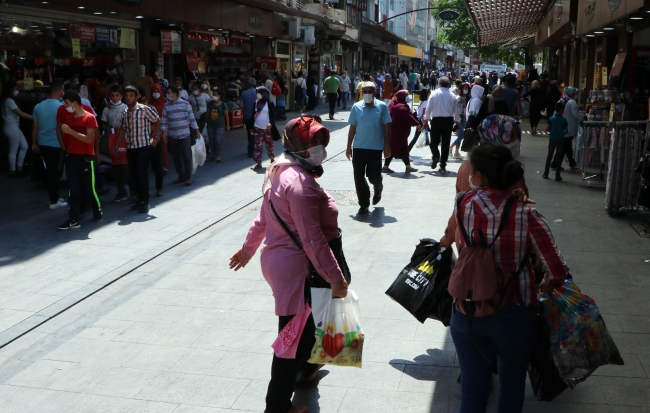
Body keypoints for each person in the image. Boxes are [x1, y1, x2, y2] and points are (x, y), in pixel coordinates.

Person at [229, 118, 347, 413]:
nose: (320, 149)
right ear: (299, 145)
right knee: (290, 338)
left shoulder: (283, 170)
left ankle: (305, 371)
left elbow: (262, 219)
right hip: (296, 270)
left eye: (322, 143)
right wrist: (336, 278)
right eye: (314, 143)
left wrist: (247, 250)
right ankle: (277, 406)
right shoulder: (299, 183)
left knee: (306, 328)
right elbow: (312, 239)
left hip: (286, 264)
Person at [449, 141, 568, 413]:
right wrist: (544, 286)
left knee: (472, 388)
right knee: (512, 383)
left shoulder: (462, 203)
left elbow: (461, 243)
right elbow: (558, 271)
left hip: (468, 307)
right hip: (515, 311)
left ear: (478, 176)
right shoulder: (528, 214)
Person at [57, 91, 101, 230]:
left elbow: (89, 139)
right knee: (73, 189)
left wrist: (72, 132)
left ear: (74, 103)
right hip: (72, 157)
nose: (65, 106)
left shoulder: (89, 118)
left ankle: (97, 211)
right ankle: (73, 218)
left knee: (89, 188)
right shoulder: (69, 119)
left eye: (67, 103)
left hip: (86, 157)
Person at [346, 81, 391, 214]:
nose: (367, 94)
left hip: (376, 148)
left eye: (369, 91)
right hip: (359, 147)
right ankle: (364, 203)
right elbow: (352, 127)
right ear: (361, 93)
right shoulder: (356, 107)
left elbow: (387, 127)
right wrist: (348, 146)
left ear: (374, 92)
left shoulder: (382, 106)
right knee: (358, 176)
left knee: (373, 177)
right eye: (364, 92)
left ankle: (378, 188)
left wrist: (387, 146)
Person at [115, 86, 160, 214]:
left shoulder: (144, 109)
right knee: (133, 175)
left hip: (144, 147)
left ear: (136, 97)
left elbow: (157, 120)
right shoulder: (125, 112)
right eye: (126, 95)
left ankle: (145, 202)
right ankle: (139, 199)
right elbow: (123, 128)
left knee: (142, 174)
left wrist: (155, 137)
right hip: (131, 148)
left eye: (131, 95)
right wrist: (118, 144)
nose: (128, 98)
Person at [32, 82, 66, 209]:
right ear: (59, 91)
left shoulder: (38, 107)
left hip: (42, 142)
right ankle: (54, 200)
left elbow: (35, 127)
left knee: (50, 171)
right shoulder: (61, 107)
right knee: (55, 172)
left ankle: (55, 197)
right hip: (56, 143)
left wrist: (34, 143)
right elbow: (63, 127)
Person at [160, 85, 199, 186]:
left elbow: (191, 117)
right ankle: (181, 175)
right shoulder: (166, 106)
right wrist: (163, 132)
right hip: (172, 135)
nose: (168, 95)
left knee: (186, 156)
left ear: (176, 93)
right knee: (176, 157)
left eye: (170, 92)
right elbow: (164, 120)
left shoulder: (185, 104)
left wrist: (197, 130)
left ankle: (188, 176)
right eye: (167, 93)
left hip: (184, 134)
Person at [422, 77, 460, 173]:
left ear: (439, 84)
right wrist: (457, 123)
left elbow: (428, 108)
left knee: (433, 142)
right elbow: (457, 111)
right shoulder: (452, 95)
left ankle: (436, 156)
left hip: (436, 120)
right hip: (448, 121)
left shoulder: (434, 94)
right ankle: (443, 164)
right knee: (446, 143)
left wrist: (425, 121)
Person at [1, 81, 33, 178]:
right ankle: (13, 171)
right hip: (11, 126)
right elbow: (20, 113)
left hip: (12, 126)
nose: (17, 91)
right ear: (11, 90)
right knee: (14, 150)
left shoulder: (6, 100)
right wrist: (34, 117)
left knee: (24, 146)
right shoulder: (9, 100)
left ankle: (18, 169)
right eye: (16, 89)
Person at [382, 90, 419, 174]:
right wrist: (417, 124)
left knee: (403, 149)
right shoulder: (401, 107)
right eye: (406, 95)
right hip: (399, 132)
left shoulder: (398, 105)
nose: (408, 97)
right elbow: (409, 118)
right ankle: (385, 166)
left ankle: (408, 166)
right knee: (394, 148)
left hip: (400, 132)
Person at [252, 87, 277, 170]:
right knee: (257, 146)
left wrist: (271, 123)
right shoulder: (255, 103)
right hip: (257, 127)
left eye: (259, 92)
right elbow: (253, 114)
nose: (258, 94)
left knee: (270, 144)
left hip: (267, 128)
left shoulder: (270, 103)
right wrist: (250, 127)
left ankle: (272, 160)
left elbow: (273, 114)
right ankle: (259, 163)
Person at [558, 86, 582, 169]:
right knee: (565, 146)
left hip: (562, 126)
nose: (577, 95)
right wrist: (583, 117)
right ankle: (555, 164)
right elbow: (576, 114)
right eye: (576, 93)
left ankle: (572, 163)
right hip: (569, 127)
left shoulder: (562, 100)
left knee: (567, 146)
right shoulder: (572, 102)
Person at [544, 102, 569, 181]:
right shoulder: (564, 120)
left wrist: (552, 131)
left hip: (552, 138)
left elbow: (547, 129)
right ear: (562, 110)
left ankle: (546, 173)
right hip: (561, 139)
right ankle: (557, 175)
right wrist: (562, 133)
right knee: (559, 157)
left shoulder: (551, 118)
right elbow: (566, 131)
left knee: (549, 155)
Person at [149, 83, 169, 179]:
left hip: (163, 127)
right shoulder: (149, 102)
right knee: (153, 147)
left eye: (157, 91)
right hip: (152, 128)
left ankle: (164, 166)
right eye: (154, 92)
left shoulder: (165, 101)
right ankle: (155, 165)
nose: (156, 93)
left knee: (163, 147)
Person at [206, 88, 229, 163]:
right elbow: (208, 113)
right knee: (211, 141)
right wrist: (205, 122)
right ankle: (213, 155)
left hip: (220, 126)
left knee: (217, 140)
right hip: (210, 125)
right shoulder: (210, 103)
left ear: (220, 96)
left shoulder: (223, 104)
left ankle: (218, 155)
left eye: (215, 95)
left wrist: (227, 125)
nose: (214, 96)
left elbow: (226, 115)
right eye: (213, 95)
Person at [449, 82, 470, 158]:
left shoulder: (462, 97)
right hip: (459, 117)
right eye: (465, 88)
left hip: (460, 117)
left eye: (467, 88)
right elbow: (458, 109)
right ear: (461, 89)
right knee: (461, 135)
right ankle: (451, 147)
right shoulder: (460, 98)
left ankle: (456, 152)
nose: (466, 90)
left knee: (460, 135)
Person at [241, 78, 258, 158]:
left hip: (247, 116)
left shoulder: (244, 93)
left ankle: (250, 150)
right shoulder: (258, 93)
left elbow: (241, 105)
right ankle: (256, 148)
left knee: (250, 133)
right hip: (257, 116)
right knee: (257, 133)